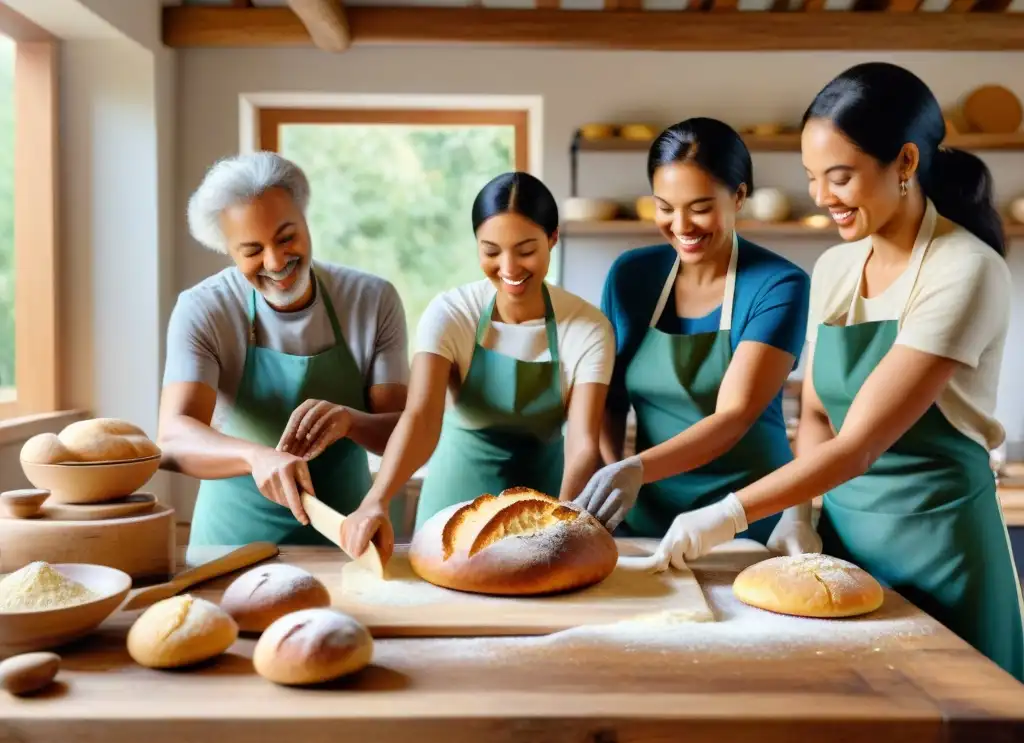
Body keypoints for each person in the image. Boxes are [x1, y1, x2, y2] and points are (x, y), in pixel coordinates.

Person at [644, 63, 1023, 683]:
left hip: (943, 550)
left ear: (905, 162)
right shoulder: (836, 270)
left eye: (840, 176)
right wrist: (802, 516)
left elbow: (861, 441)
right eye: (812, 178)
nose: (822, 197)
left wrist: (728, 512)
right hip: (842, 558)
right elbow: (819, 412)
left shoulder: (967, 270)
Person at [340, 171, 615, 560]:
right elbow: (420, 416)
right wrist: (377, 499)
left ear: (553, 238)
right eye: (491, 250)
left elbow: (583, 443)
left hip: (543, 505)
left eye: (525, 249)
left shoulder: (587, 327)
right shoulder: (451, 314)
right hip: (452, 505)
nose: (509, 266)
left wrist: (563, 520)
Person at [574, 117, 812, 551]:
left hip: (747, 518)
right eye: (664, 207)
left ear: (739, 196)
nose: (681, 224)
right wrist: (616, 472)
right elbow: (608, 399)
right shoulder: (631, 275)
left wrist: (636, 469)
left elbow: (734, 416)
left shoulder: (780, 284)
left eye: (700, 207)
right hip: (643, 517)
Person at [159, 151, 409, 555]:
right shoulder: (204, 308)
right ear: (227, 249)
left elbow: (401, 430)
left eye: (286, 237)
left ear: (306, 220)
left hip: (346, 539)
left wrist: (350, 421)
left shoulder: (372, 300)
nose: (275, 262)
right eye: (251, 250)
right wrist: (254, 457)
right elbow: (173, 437)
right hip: (230, 546)